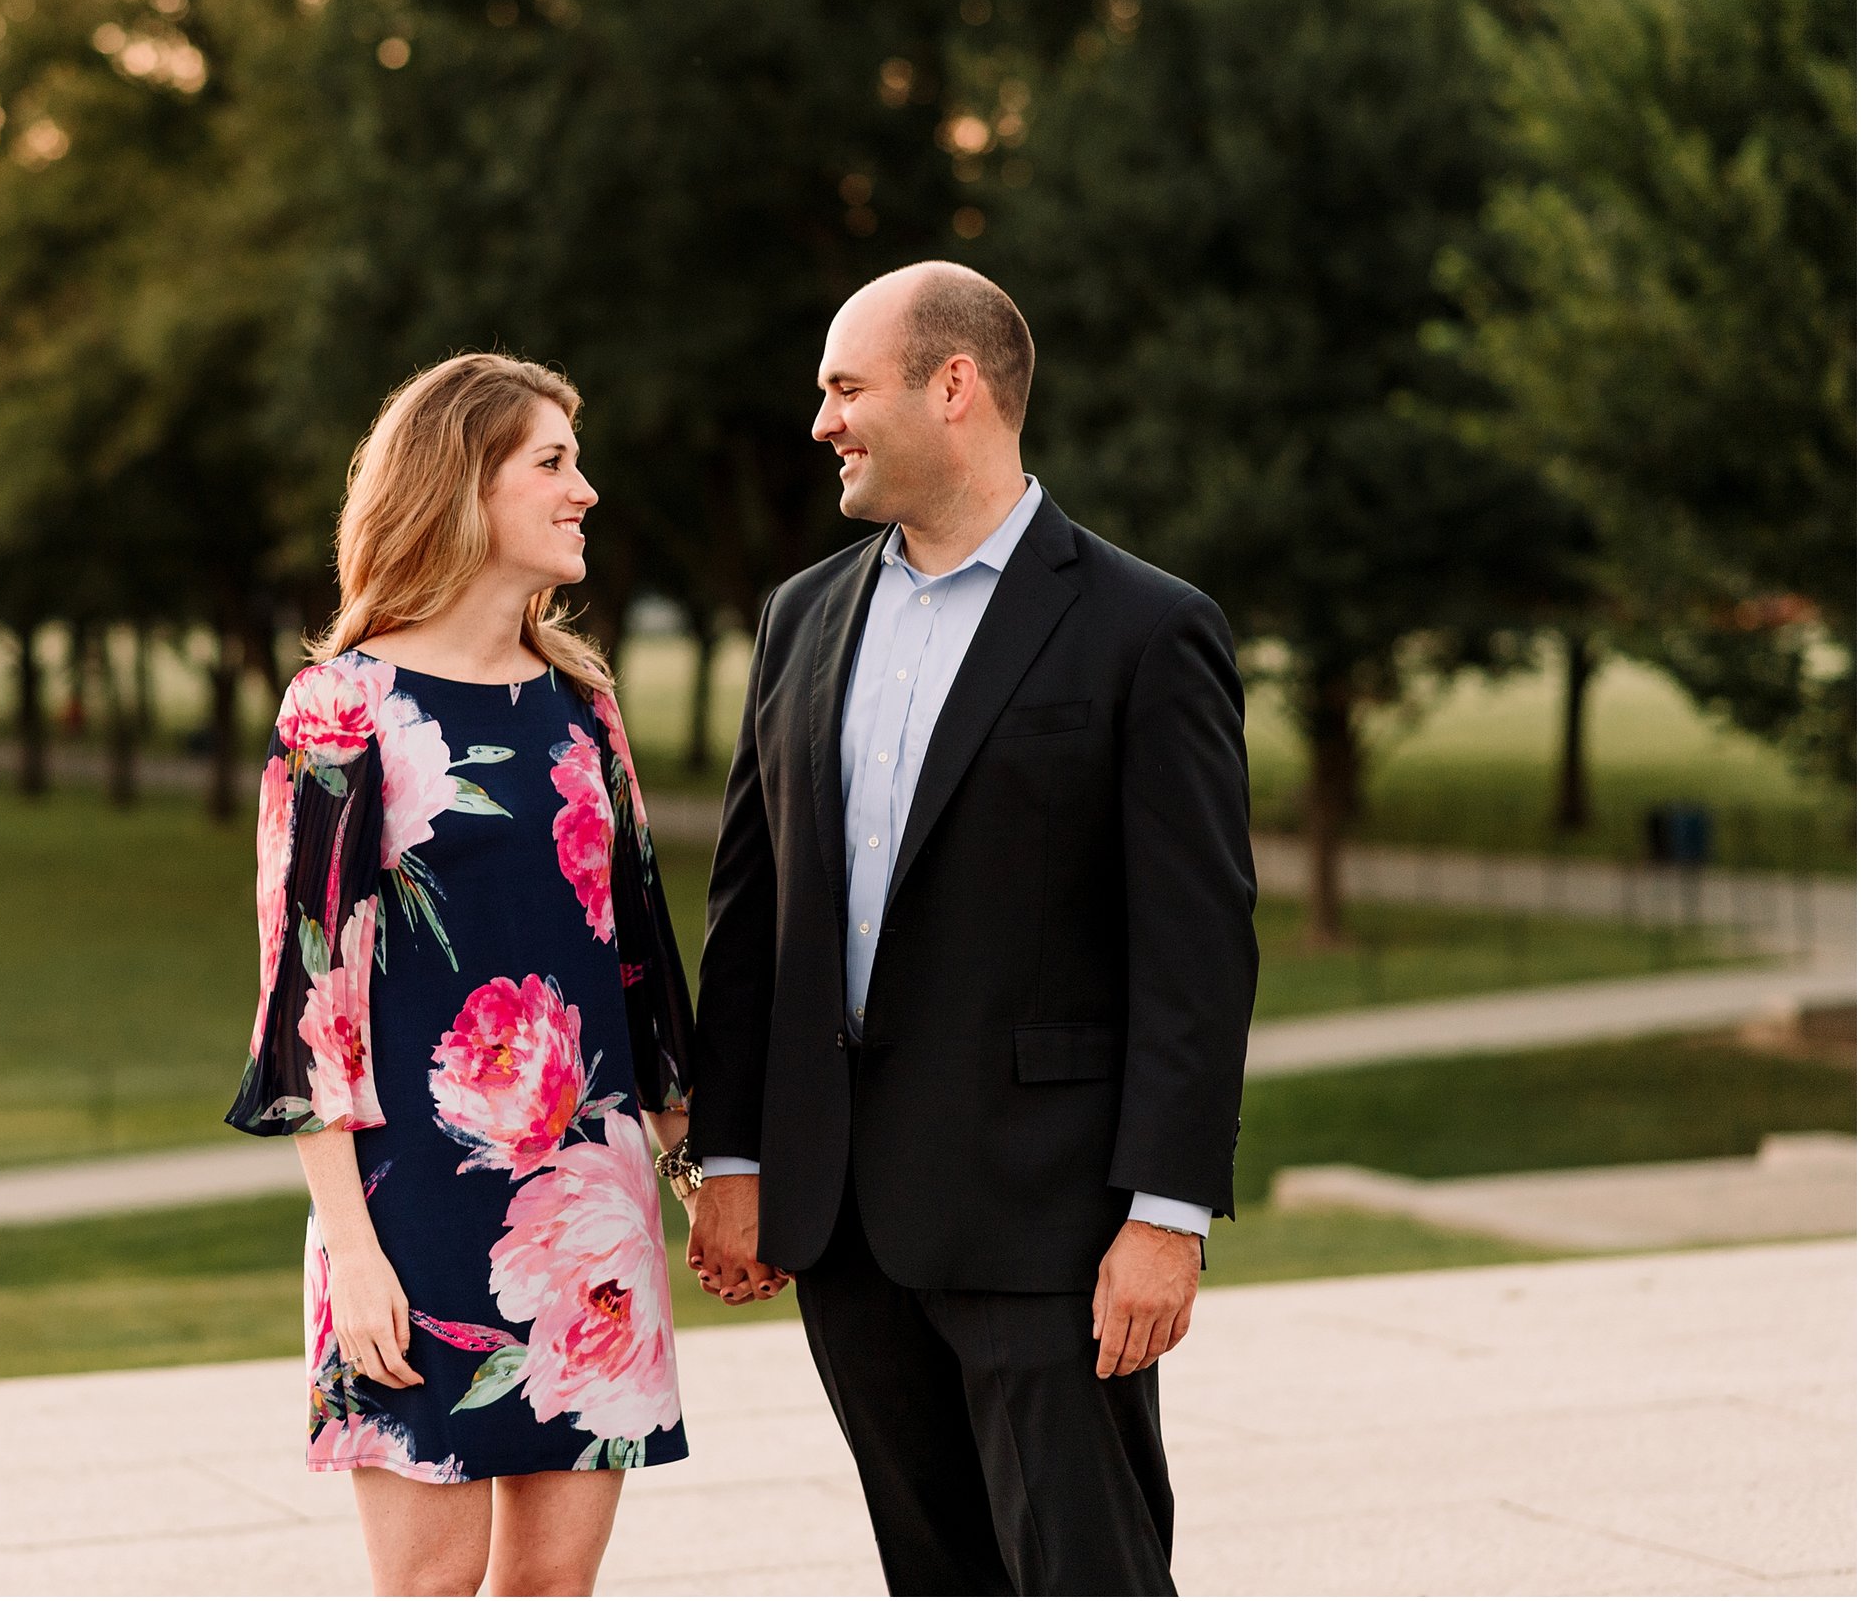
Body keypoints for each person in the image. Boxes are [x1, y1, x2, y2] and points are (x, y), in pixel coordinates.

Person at [684, 262, 1257, 1596]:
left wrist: (1165, 1214)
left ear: (955, 387)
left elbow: (1198, 950)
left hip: (1049, 1220)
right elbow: (752, 909)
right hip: (845, 1225)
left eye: (844, 386)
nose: (821, 419)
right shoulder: (799, 618)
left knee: (1089, 1573)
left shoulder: (1147, 629)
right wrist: (735, 1153)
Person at [225, 352, 700, 1597]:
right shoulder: (342, 707)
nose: (583, 490)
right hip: (408, 1214)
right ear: (461, 487)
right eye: (551, 462)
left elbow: (641, 956)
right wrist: (353, 1251)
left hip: (589, 1202)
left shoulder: (584, 704)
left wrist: (700, 1171)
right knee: (429, 1589)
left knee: (554, 1587)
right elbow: (307, 1003)